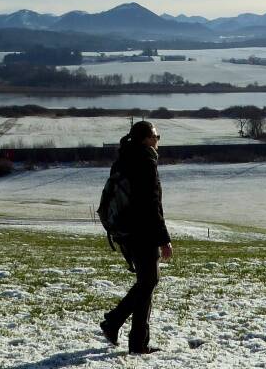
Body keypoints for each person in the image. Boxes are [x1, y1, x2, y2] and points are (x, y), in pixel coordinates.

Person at [100, 120, 173, 355]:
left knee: (147, 282)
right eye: (156, 136)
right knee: (148, 281)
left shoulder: (124, 158)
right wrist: (164, 239)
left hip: (125, 231)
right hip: (143, 232)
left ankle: (132, 338)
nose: (158, 140)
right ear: (146, 139)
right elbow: (152, 204)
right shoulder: (145, 160)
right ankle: (118, 325)